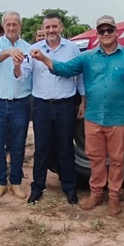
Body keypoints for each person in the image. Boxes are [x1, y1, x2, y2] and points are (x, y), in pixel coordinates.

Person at [33, 15, 124, 216]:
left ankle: (113, 197)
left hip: (119, 118)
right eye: (101, 31)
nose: (105, 34)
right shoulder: (88, 57)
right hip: (93, 117)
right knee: (95, 158)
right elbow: (66, 69)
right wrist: (44, 58)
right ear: (97, 33)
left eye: (109, 30)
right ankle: (95, 194)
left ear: (116, 32)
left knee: (118, 160)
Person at [19, 12, 85, 206]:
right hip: (41, 106)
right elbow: (24, 75)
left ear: (61, 28)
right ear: (43, 28)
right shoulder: (34, 49)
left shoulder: (72, 48)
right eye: (47, 27)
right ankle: (37, 188)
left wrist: (83, 101)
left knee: (66, 148)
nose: (51, 31)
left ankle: (70, 189)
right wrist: (17, 67)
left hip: (65, 105)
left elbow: (79, 76)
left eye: (54, 27)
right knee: (41, 149)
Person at [0, 11, 32, 200]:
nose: (12, 28)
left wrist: (17, 65)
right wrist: (9, 52)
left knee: (18, 145)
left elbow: (26, 74)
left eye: (15, 24)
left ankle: (15, 182)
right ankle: (0, 182)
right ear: (4, 26)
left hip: (20, 104)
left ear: (20, 26)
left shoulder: (28, 48)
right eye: (8, 24)